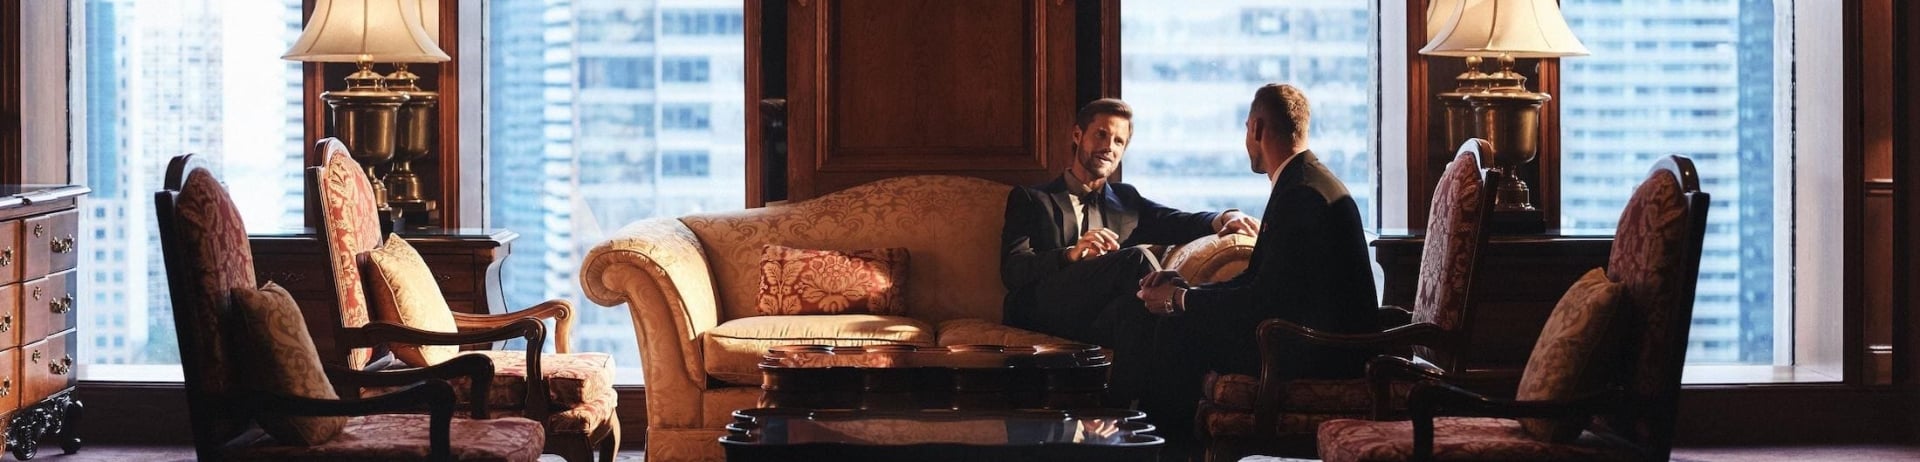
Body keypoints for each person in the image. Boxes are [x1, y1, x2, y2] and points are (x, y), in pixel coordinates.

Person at [1127, 84, 1379, 440]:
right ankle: (1161, 444)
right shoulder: (1305, 180)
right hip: (1306, 337)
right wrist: (1187, 288)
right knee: (1179, 321)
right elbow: (1258, 280)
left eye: (1247, 128)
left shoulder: (1301, 194)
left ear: (1257, 128)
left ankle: (1155, 447)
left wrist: (1178, 301)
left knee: (1176, 329)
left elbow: (1266, 299)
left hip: (1319, 351)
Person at [999, 98, 1259, 346]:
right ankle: (1188, 317)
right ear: (1077, 135)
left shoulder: (1126, 201)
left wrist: (1225, 217)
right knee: (1135, 259)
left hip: (1093, 317)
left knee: (1138, 312)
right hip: (1040, 308)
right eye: (1101, 134)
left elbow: (1176, 221)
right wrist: (1071, 254)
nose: (1109, 146)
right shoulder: (1033, 198)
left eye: (1118, 141)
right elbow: (1013, 270)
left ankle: (1130, 393)